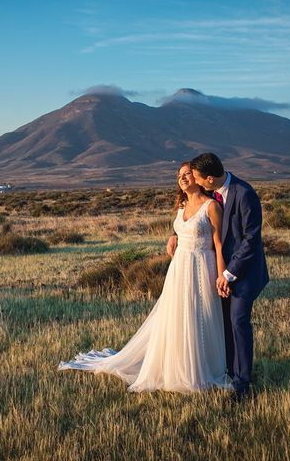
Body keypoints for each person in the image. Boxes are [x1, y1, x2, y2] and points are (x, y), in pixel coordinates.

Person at [58, 162, 231, 393]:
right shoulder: (181, 206)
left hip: (202, 267)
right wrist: (173, 235)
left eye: (187, 174)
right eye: (179, 175)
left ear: (198, 177)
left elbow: (219, 245)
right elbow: (183, 228)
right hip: (179, 269)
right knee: (178, 317)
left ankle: (203, 368)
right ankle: (178, 366)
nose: (183, 178)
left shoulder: (211, 207)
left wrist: (222, 276)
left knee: (202, 316)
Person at [167, 153, 269, 402]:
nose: (195, 183)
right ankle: (226, 368)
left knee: (237, 321)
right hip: (217, 269)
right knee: (221, 321)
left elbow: (251, 240)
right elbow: (194, 217)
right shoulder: (211, 192)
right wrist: (174, 234)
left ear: (210, 179)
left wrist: (228, 273)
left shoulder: (244, 194)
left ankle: (242, 384)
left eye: (198, 179)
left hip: (244, 271)